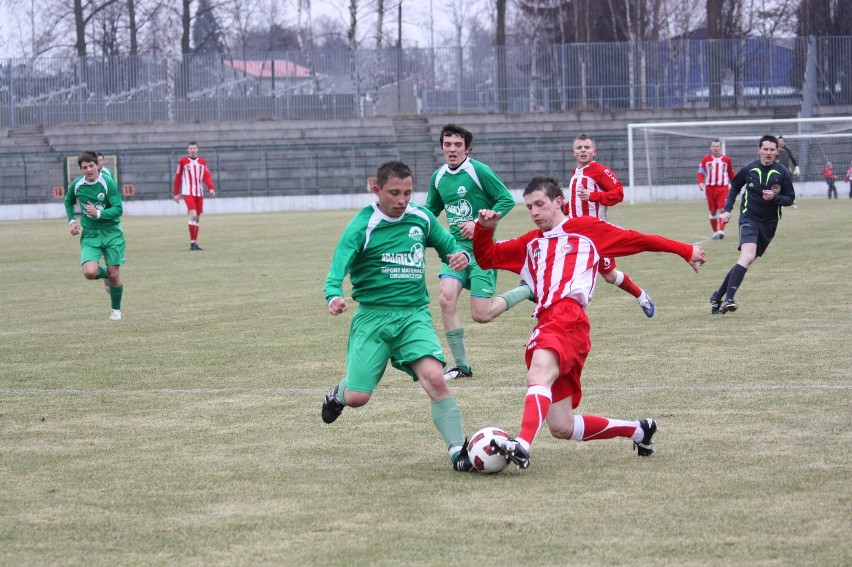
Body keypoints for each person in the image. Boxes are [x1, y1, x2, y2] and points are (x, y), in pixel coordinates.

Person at [471, 176, 706, 469]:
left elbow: (639, 239)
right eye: (529, 207)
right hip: (554, 320)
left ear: (558, 202)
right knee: (562, 426)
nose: (534, 212)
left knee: (538, 373)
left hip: (567, 316)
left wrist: (684, 249)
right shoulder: (530, 243)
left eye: (540, 204)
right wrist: (485, 229)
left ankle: (522, 443)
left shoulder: (586, 231)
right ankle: (638, 430)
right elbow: (486, 257)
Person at [321, 160, 476, 473]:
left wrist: (460, 256)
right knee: (358, 397)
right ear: (376, 189)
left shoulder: (421, 218)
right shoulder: (362, 225)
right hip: (373, 319)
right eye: (394, 192)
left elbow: (450, 248)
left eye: (407, 192)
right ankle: (339, 393)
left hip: (413, 316)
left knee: (435, 378)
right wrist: (334, 295)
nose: (402, 199)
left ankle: (459, 451)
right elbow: (337, 266)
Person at [425, 123, 527, 381]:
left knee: (481, 315)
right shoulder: (438, 177)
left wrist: (480, 224)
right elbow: (430, 211)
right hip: (456, 250)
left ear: (467, 148)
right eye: (447, 144)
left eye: (458, 145)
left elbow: (505, 199)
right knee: (446, 299)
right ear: (441, 148)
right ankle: (461, 366)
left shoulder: (478, 170)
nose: (452, 149)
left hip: (483, 250)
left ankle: (528, 289)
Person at [564, 133, 655, 317]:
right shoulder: (576, 173)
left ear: (594, 151)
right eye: (579, 147)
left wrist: (594, 196)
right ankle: (570, 315)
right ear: (573, 152)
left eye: (587, 147)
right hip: (576, 235)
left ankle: (640, 295)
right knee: (572, 271)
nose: (583, 150)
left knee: (609, 275)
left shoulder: (599, 171)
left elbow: (618, 193)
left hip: (597, 235)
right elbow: (576, 203)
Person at [710, 135, 795, 315]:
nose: (769, 153)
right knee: (747, 256)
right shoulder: (749, 169)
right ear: (759, 150)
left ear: (776, 152)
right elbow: (734, 187)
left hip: (770, 224)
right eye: (766, 149)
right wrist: (727, 210)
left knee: (744, 261)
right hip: (749, 219)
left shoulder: (782, 172)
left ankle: (717, 296)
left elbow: (790, 198)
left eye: (772, 149)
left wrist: (775, 198)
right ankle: (729, 299)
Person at [64, 149, 125, 321]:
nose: (89, 170)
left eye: (91, 165)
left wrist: (99, 213)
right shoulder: (77, 185)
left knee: (115, 275)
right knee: (89, 272)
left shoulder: (107, 183)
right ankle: (106, 274)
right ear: (81, 169)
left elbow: (118, 209)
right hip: (90, 234)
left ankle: (116, 311)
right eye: (84, 167)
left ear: (98, 165)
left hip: (112, 232)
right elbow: (68, 201)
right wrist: (72, 222)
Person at [173, 141, 215, 250]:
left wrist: (211, 188)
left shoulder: (202, 162)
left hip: (199, 192)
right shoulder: (183, 162)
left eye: (194, 148)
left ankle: (195, 242)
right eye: (190, 148)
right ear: (188, 150)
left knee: (197, 218)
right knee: (193, 214)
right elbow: (178, 177)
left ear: (197, 149)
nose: (192, 150)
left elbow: (207, 176)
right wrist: (176, 193)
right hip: (188, 192)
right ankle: (192, 243)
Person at [697, 139, 735, 239]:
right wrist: (701, 183)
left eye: (717, 146)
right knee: (713, 211)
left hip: (723, 188)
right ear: (711, 148)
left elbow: (731, 174)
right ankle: (715, 232)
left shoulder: (726, 160)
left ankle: (721, 231)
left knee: (722, 209)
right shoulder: (705, 160)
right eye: (713, 146)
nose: (715, 148)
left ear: (720, 147)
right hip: (710, 189)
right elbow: (701, 173)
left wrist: (736, 187)